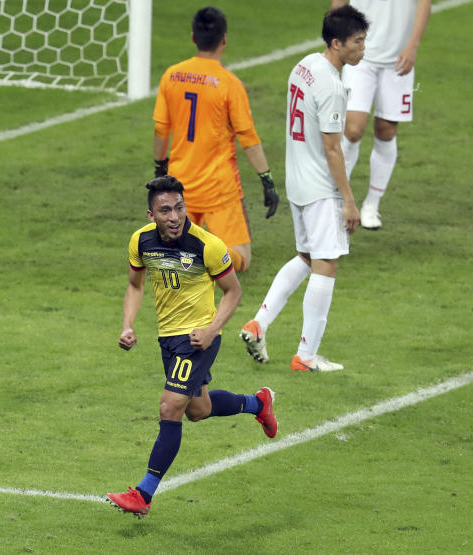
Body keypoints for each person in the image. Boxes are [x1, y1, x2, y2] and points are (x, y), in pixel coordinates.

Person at [106, 176, 278, 518]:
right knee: (198, 410)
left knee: (170, 407)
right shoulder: (140, 241)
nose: (174, 216)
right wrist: (127, 325)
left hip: (197, 339)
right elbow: (134, 286)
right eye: (165, 210)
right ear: (151, 214)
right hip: (168, 339)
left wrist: (212, 330)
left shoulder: (207, 246)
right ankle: (259, 403)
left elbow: (234, 292)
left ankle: (144, 494)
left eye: (180, 208)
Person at [238, 6, 368, 372]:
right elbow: (332, 147)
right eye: (357, 43)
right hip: (319, 186)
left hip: (296, 179)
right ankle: (306, 356)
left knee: (308, 258)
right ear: (337, 42)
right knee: (327, 265)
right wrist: (348, 200)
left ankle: (258, 324)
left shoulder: (304, 65)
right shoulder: (331, 87)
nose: (363, 50)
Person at [152, 6, 279, 272]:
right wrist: (266, 179)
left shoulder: (171, 75)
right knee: (241, 258)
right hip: (218, 189)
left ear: (193, 37)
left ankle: (182, 249)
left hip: (180, 186)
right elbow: (247, 137)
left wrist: (160, 168)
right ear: (224, 39)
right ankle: (201, 255)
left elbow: (161, 130)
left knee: (179, 240)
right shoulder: (229, 84)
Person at [330, 0, 431, 230]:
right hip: (359, 56)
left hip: (398, 59)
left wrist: (413, 45)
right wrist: (333, 42)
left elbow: (424, 4)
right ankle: (336, 197)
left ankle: (371, 205)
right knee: (353, 130)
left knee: (386, 129)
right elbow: (339, 3)